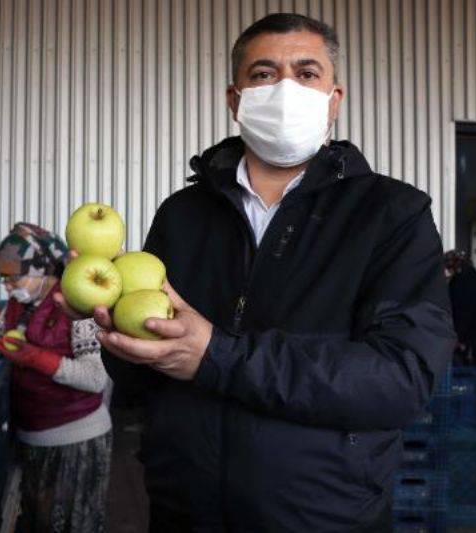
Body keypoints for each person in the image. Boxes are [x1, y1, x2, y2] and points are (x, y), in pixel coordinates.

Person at [54, 13, 455, 532]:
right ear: (234, 97)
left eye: (307, 73)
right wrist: (110, 331)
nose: (286, 87)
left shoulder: (391, 214)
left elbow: (401, 378)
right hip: (185, 511)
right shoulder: (183, 214)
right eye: (264, 74)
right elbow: (140, 384)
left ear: (335, 98)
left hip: (323, 517)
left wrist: (216, 356)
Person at [0, 222, 112, 533]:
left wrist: (36, 358)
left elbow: (96, 377)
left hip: (75, 441)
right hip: (31, 435)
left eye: (14, 277)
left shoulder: (75, 304)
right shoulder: (19, 304)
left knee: (71, 525)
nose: (7, 285)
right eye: (3, 278)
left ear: (43, 270)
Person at [444, 250, 476, 365]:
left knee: (463, 369)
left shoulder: (461, 284)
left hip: (466, 336)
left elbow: (463, 312)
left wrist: (458, 337)